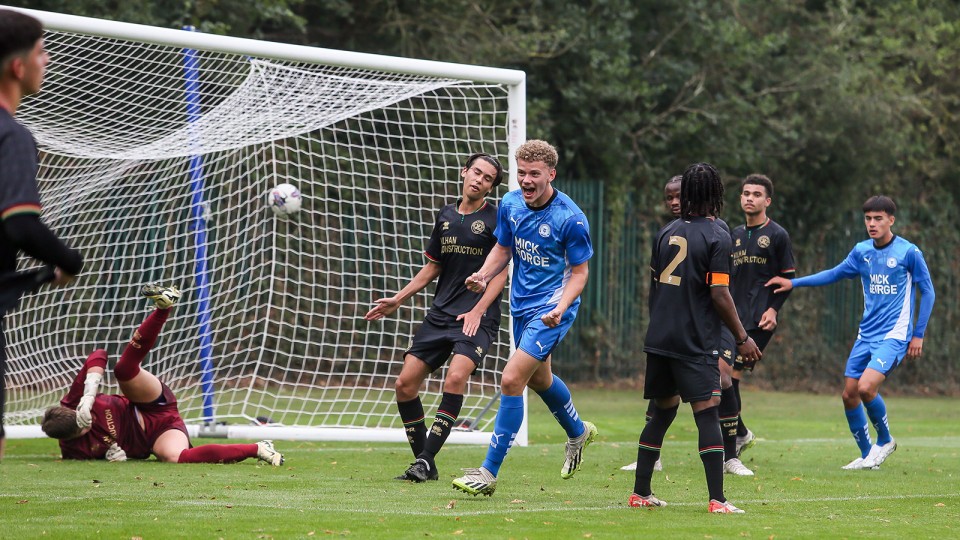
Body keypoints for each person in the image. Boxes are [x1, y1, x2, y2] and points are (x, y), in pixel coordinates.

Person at [451, 139, 597, 497]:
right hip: (521, 305)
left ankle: (488, 472)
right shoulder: (511, 203)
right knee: (539, 379)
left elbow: (579, 273)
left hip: (551, 310)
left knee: (511, 379)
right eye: (521, 173)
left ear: (551, 174)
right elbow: (503, 247)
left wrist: (561, 308)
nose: (526, 180)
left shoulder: (570, 218)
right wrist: (484, 275)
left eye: (534, 174)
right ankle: (578, 431)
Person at [364, 152, 507, 482]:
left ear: (491, 187)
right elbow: (433, 267)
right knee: (404, 384)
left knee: (455, 378)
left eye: (487, 179)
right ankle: (425, 463)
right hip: (440, 315)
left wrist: (477, 309)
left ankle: (425, 459)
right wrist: (397, 300)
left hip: (476, 318)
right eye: (476, 172)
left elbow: (500, 271)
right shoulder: (444, 215)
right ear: (464, 172)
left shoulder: (496, 218)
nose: (479, 180)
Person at [629, 162, 760, 514]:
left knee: (661, 413)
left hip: (660, 338)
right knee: (707, 413)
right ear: (715, 194)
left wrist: (657, 327)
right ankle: (718, 500)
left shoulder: (665, 231)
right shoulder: (718, 235)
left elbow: (654, 290)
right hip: (693, 341)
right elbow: (719, 293)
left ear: (686, 193)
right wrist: (742, 337)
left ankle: (640, 492)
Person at [767, 195, 934, 470]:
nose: (872, 223)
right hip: (866, 334)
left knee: (866, 387)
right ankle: (868, 454)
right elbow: (834, 273)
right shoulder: (862, 251)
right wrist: (793, 283)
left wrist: (918, 334)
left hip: (894, 335)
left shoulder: (908, 252)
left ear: (891, 220)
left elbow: (927, 291)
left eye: (878, 218)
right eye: (868, 218)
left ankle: (886, 440)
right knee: (849, 394)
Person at [41, 284, 285, 466]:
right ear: (71, 439)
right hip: (157, 433)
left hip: (147, 404)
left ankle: (162, 308)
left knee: (123, 370)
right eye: (83, 429)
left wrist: (89, 394)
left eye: (83, 419)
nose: (89, 424)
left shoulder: (73, 401)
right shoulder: (74, 451)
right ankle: (258, 449)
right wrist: (112, 456)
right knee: (174, 458)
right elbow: (104, 457)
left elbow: (99, 355)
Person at [0, 9, 84, 461]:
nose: (46, 60)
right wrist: (69, 262)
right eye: (41, 51)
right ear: (19, 66)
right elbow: (20, 224)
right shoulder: (10, 135)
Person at [726, 174, 796, 467]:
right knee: (724, 379)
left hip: (759, 321)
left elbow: (787, 279)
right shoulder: (734, 234)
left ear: (767, 201)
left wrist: (774, 310)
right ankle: (739, 433)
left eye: (756, 194)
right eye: (746, 193)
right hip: (733, 318)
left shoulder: (777, 235)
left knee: (730, 377)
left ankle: (731, 451)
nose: (750, 198)